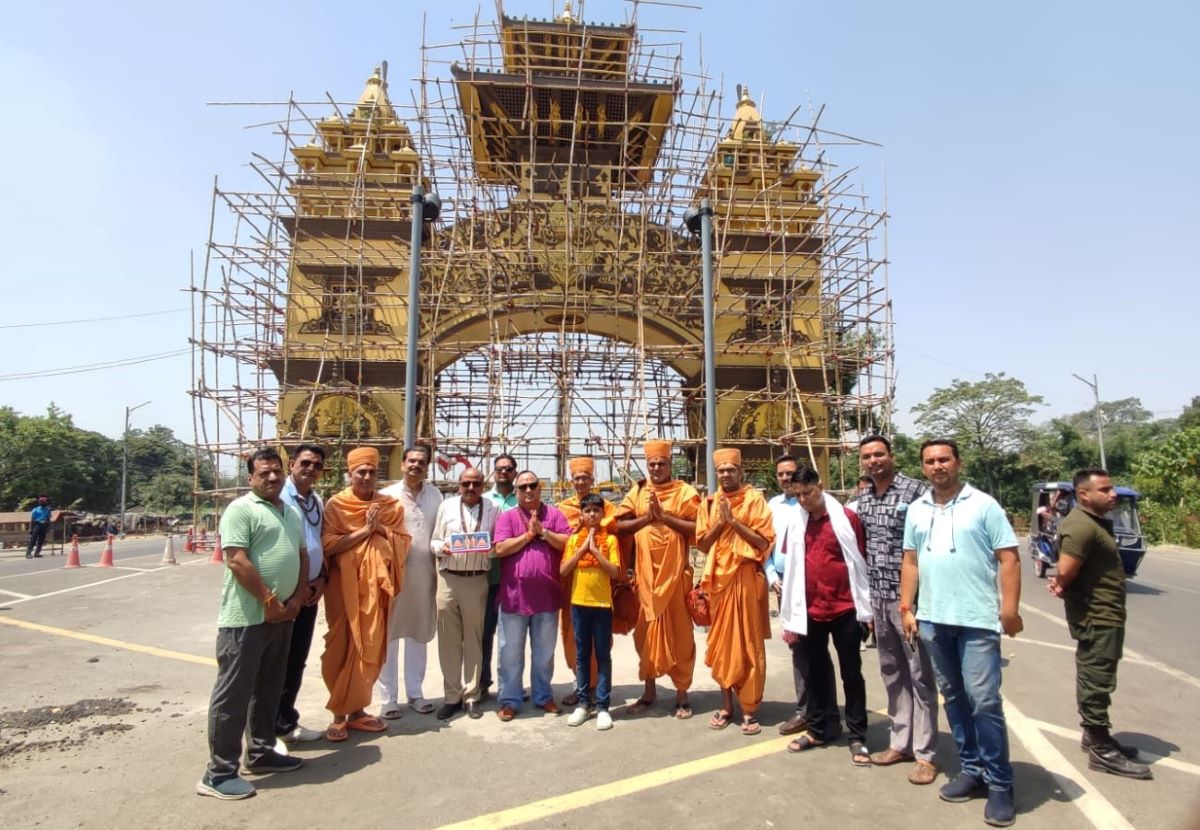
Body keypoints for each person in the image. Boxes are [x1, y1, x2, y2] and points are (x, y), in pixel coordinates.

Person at [900, 438, 1022, 828]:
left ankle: (1000, 782)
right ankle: (971, 770)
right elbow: (911, 561)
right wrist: (907, 607)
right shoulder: (917, 509)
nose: (938, 466)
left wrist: (1010, 609)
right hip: (934, 619)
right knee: (953, 696)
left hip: (977, 620)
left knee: (983, 700)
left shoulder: (983, 505)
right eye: (930, 461)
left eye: (944, 459)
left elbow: (1009, 557)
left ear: (958, 462)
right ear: (923, 467)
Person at [197, 449, 305, 801]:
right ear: (250, 478)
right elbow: (237, 561)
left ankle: (260, 752)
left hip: (283, 616)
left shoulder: (289, 511)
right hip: (247, 619)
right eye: (264, 473)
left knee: (269, 688)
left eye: (276, 472)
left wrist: (297, 597)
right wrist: (270, 602)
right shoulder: (241, 509)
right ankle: (218, 773)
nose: (272, 478)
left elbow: (302, 555)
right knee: (234, 694)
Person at [1048, 468, 1152, 779]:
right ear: (1084, 495)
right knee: (1097, 678)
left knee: (1100, 674)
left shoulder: (1093, 522)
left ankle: (1098, 736)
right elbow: (1065, 570)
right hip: (1096, 616)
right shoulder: (1080, 527)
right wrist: (1060, 583)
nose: (1113, 494)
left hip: (1106, 613)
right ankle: (1100, 750)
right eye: (1105, 489)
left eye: (1111, 488)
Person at [855, 435, 939, 784]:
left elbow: (927, 548)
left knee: (920, 675)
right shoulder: (863, 499)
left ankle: (926, 753)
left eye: (879, 454)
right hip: (878, 598)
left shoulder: (917, 493)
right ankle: (900, 742)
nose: (874, 460)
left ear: (891, 456)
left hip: (911, 600)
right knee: (892, 673)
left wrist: (913, 604)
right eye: (867, 456)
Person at [778, 466, 872, 766]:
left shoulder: (846, 519)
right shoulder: (796, 522)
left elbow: (861, 562)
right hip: (809, 609)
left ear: (820, 486)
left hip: (845, 608)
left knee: (851, 674)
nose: (803, 500)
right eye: (798, 495)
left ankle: (857, 735)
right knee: (816, 673)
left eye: (808, 493)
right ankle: (821, 728)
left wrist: (866, 610)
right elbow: (788, 562)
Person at [321, 447, 410, 742]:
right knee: (342, 647)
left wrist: (379, 527)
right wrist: (364, 532)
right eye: (361, 472)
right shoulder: (336, 506)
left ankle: (358, 711)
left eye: (372, 472)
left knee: (369, 646)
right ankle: (338, 714)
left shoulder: (390, 506)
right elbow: (329, 546)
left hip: (376, 592)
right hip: (343, 589)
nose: (368, 477)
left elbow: (403, 543)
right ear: (350, 474)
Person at [615, 439, 699, 719]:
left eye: (661, 463)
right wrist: (647, 519)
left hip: (675, 578)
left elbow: (699, 527)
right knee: (645, 635)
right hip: (645, 578)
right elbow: (617, 525)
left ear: (670, 463)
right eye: (652, 463)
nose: (657, 468)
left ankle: (682, 695)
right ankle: (649, 692)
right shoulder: (638, 491)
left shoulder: (684, 491)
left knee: (681, 637)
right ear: (647, 465)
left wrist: (666, 518)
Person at [696, 447, 775, 736]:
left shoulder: (755, 501)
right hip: (719, 583)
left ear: (740, 472)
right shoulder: (708, 503)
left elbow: (763, 542)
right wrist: (721, 522)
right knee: (724, 646)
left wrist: (734, 522)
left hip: (745, 578)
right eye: (721, 470)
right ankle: (727, 705)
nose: (726, 474)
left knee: (749, 645)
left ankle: (750, 709)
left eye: (731, 469)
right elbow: (702, 545)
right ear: (716, 474)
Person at [492, 471, 570, 721]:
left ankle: (543, 696)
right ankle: (509, 700)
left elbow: (568, 542)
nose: (528, 490)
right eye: (523, 486)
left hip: (547, 597)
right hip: (514, 597)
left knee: (544, 653)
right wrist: (527, 536)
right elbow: (500, 548)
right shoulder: (507, 517)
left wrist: (544, 533)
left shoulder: (555, 515)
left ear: (540, 488)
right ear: (516, 492)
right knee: (510, 653)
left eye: (533, 485)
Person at [378, 445, 443, 717]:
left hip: (424, 576)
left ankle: (415, 693)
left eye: (422, 461)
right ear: (403, 464)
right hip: (393, 577)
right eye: (412, 460)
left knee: (419, 633)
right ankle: (388, 698)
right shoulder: (386, 496)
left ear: (427, 466)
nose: (416, 465)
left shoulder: (435, 495)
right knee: (389, 636)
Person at [430, 467, 499, 720]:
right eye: (466, 483)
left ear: (483, 485)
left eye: (476, 484)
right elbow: (434, 541)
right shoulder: (446, 507)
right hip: (448, 579)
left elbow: (497, 545)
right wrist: (443, 547)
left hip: (477, 580)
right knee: (448, 640)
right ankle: (451, 696)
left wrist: (487, 548)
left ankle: (472, 695)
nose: (471, 488)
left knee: (474, 638)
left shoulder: (493, 508)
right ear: (459, 485)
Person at [274, 444, 329, 746]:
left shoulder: (316, 500)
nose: (310, 469)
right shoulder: (279, 497)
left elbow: (318, 542)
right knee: (275, 663)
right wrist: (297, 586)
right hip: (285, 592)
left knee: (296, 661)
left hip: (309, 592)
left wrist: (321, 578)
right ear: (292, 463)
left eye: (317, 465)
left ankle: (285, 722)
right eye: (305, 462)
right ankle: (264, 733)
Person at [556, 456, 617, 706]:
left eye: (585, 477)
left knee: (601, 647)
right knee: (575, 641)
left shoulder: (604, 506)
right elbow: (561, 537)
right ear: (571, 481)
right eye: (577, 477)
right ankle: (581, 687)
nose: (581, 481)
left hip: (601, 590)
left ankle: (597, 692)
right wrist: (577, 536)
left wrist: (590, 527)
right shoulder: (563, 507)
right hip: (574, 586)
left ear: (592, 480)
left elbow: (612, 525)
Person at [561, 494, 622, 731]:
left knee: (603, 655)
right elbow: (564, 570)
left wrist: (596, 552)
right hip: (579, 603)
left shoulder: (611, 541)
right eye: (587, 511)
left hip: (602, 606)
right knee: (582, 655)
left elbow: (615, 572)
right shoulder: (574, 539)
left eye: (597, 510)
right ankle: (583, 703)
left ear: (602, 514)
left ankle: (603, 706)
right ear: (582, 515)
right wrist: (581, 550)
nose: (592, 515)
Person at [764, 454, 809, 735]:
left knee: (815, 647)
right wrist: (771, 576)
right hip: (784, 587)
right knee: (797, 647)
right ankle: (805, 709)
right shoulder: (773, 505)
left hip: (811, 584)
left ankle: (819, 708)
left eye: (790, 473)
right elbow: (766, 544)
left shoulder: (812, 500)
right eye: (780, 474)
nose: (785, 478)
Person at [481, 453, 518, 699]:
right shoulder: (484, 500)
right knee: (484, 635)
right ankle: (482, 683)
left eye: (508, 469)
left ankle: (512, 688)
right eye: (499, 469)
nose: (503, 472)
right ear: (493, 472)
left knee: (514, 640)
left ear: (515, 472)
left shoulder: (524, 500)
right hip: (487, 578)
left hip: (515, 579)